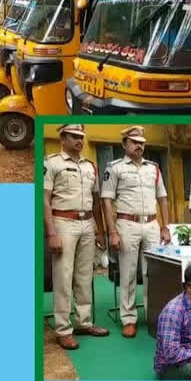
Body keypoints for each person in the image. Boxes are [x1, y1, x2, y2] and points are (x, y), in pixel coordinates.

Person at [102, 125, 172, 338]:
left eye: (142, 142)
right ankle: (129, 318)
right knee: (129, 273)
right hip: (127, 224)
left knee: (153, 273)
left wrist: (165, 226)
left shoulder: (154, 168)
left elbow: (162, 198)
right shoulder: (114, 168)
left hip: (151, 224)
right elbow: (106, 200)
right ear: (124, 144)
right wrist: (112, 232)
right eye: (135, 142)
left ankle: (153, 317)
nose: (139, 146)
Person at [44, 124, 109, 349]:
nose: (79, 141)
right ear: (62, 138)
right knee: (63, 277)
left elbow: (98, 200)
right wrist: (51, 232)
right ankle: (63, 329)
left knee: (84, 275)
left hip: (88, 223)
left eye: (81, 137)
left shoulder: (91, 167)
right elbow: (44, 198)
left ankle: (84, 322)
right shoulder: (52, 163)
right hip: (63, 222)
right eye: (73, 137)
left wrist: (100, 229)